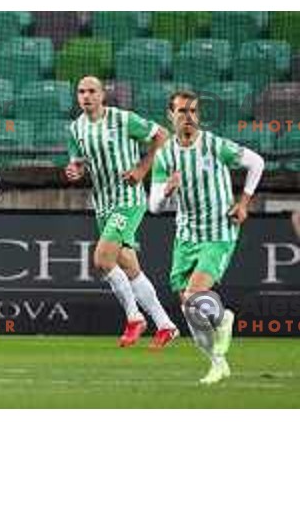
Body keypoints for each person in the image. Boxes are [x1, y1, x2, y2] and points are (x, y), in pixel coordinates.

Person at [149, 90, 264, 384]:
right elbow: (153, 207)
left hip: (219, 231)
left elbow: (256, 163)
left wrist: (243, 203)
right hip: (186, 236)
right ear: (170, 116)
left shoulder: (213, 145)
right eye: (182, 111)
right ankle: (217, 362)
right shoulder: (164, 156)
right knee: (190, 310)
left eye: (193, 111)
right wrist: (167, 191)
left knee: (194, 295)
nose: (189, 117)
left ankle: (224, 318)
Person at [65, 76, 178, 347]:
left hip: (128, 199)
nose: (86, 96)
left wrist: (141, 169)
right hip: (102, 204)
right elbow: (78, 163)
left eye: (92, 91)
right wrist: (74, 170)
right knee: (130, 268)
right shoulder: (75, 129)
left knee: (102, 260)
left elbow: (163, 136)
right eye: (81, 92)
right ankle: (166, 324)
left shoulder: (123, 119)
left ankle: (134, 318)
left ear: (102, 95)